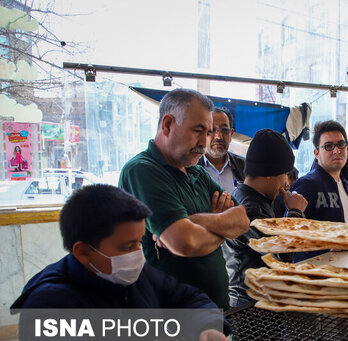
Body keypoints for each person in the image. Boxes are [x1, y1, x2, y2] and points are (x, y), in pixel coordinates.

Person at [11, 184, 229, 341]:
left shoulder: (135, 277)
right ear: (84, 252)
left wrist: (208, 326)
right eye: (127, 247)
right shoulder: (48, 302)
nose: (137, 255)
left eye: (139, 242)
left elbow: (189, 298)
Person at [119, 88, 250, 310]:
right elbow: (185, 242)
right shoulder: (142, 171)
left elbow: (242, 221)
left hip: (216, 308)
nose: (204, 141)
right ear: (168, 124)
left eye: (208, 133)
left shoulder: (196, 172)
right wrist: (221, 227)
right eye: (198, 131)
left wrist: (196, 220)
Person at [225, 129, 307, 307]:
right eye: (285, 173)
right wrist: (295, 213)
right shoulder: (250, 210)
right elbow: (281, 261)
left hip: (257, 301)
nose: (287, 182)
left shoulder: (251, 197)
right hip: (248, 309)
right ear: (269, 173)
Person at [291, 120, 348, 260]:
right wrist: (328, 246)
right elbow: (291, 235)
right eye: (328, 146)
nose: (337, 150)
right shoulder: (307, 185)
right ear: (316, 153)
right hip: (316, 270)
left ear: (347, 148)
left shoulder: (347, 186)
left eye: (341, 144)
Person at [197, 107, 246, 194]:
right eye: (212, 130)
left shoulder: (244, 167)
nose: (218, 137)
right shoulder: (190, 169)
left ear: (231, 134)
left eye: (224, 130)